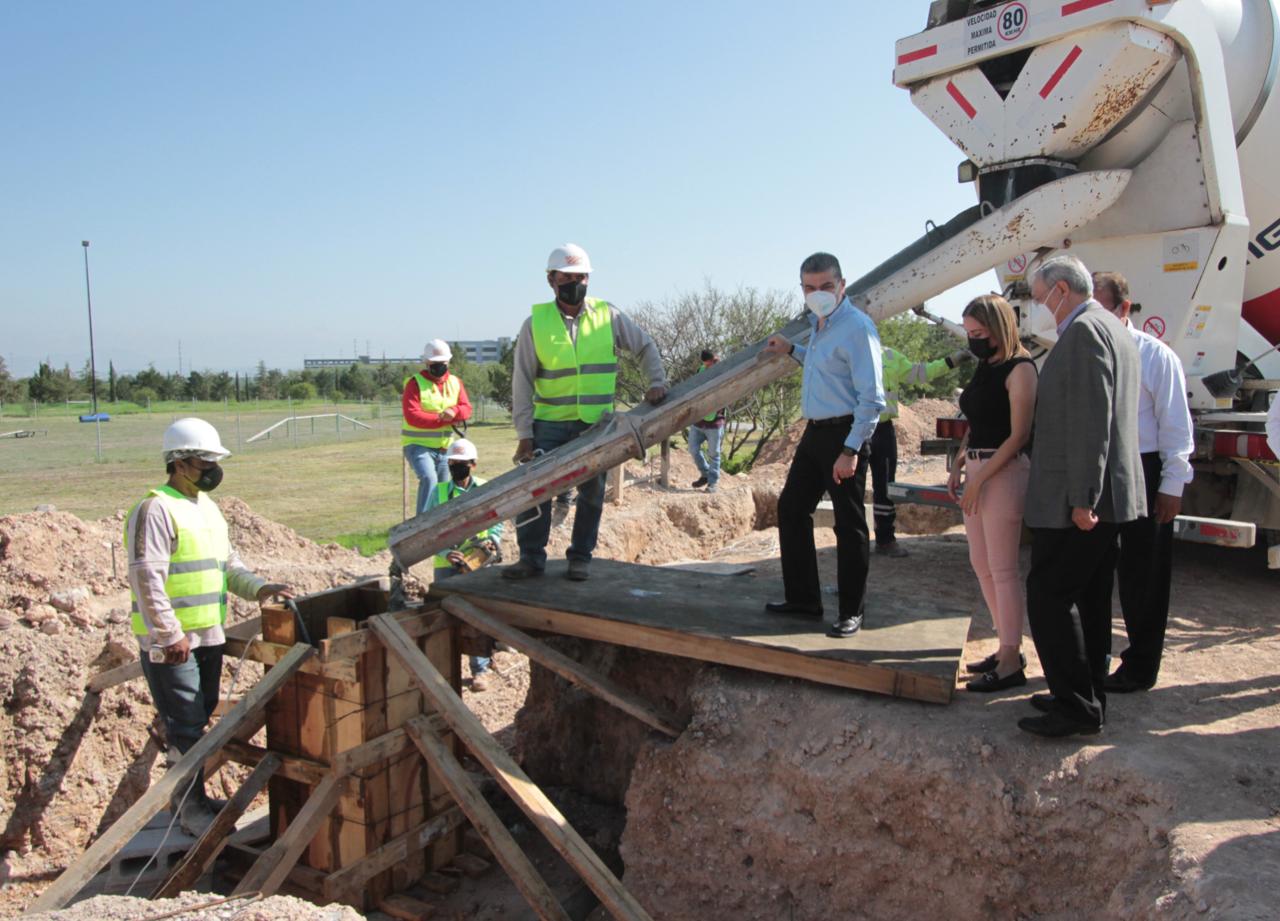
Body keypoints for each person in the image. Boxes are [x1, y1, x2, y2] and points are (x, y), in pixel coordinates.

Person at [125, 418, 292, 835]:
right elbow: (147, 579)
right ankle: (190, 807)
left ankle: (194, 797)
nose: (212, 469)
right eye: (205, 460)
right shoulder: (155, 509)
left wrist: (259, 589)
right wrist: (168, 634)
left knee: (198, 719)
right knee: (184, 724)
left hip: (208, 635)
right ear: (179, 463)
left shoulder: (208, 508)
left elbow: (228, 567)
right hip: (174, 643)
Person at [1020, 255, 1145, 738]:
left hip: (1081, 500)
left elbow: (1091, 424)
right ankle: (1086, 693)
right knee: (1090, 598)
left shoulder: (1086, 333)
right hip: (1103, 496)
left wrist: (1082, 498)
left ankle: (1076, 705)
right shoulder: (1111, 328)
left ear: (1061, 290)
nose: (1038, 307)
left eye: (1038, 297)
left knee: (1048, 594)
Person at [506, 243, 667, 582]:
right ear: (551, 280)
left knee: (592, 493)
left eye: (581, 278)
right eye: (567, 278)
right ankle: (531, 558)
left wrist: (657, 381)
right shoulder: (535, 324)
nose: (574, 284)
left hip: (596, 425)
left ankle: (580, 558)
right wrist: (524, 434)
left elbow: (646, 345)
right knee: (534, 492)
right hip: (549, 425)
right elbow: (521, 382)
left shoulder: (608, 315)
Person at [762, 252, 886, 638]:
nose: (818, 293)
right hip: (815, 432)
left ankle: (852, 611)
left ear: (842, 285)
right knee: (792, 508)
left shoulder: (856, 327)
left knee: (849, 525)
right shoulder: (820, 325)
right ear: (802, 289)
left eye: (826, 287)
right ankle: (803, 599)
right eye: (810, 288)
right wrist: (792, 350)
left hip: (845, 435)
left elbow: (872, 398)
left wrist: (850, 451)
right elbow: (828, 369)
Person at [1082, 272, 1194, 694]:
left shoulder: (1155, 356)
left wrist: (1172, 485)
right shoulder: (1087, 351)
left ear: (1123, 309)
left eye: (1101, 306)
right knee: (1093, 569)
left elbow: (1176, 428)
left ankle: (1141, 666)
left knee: (1142, 574)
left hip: (1144, 469)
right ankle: (1094, 660)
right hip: (1099, 468)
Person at [946, 295, 1037, 692]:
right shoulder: (987, 365)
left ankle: (1010, 658)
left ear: (999, 328)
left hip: (1004, 471)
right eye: (969, 333)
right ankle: (1006, 647)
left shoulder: (1021, 369)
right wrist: (961, 461)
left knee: (1002, 568)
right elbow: (977, 420)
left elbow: (1019, 435)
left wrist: (980, 480)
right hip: (979, 466)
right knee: (980, 563)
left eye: (979, 333)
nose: (974, 341)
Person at [872, 345, 971, 556]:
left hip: (882, 429)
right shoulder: (846, 352)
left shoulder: (888, 355)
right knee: (852, 486)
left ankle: (885, 539)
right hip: (855, 428)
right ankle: (856, 542)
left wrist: (952, 361)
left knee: (885, 485)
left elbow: (920, 372)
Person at [428, 438, 503, 691]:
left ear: (473, 464)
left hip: (477, 564)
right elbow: (427, 530)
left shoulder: (484, 489)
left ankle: (480, 670)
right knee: (444, 617)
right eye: (452, 463)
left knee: (476, 616)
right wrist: (446, 551)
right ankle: (444, 672)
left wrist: (491, 542)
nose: (455, 467)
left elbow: (497, 521)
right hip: (446, 565)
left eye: (460, 463)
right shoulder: (438, 493)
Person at [402, 339, 471, 516]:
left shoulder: (455, 383)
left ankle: (440, 525)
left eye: (442, 363)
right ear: (426, 363)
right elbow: (412, 416)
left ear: (448, 362)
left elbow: (466, 408)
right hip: (418, 445)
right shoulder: (414, 383)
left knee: (443, 488)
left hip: (444, 447)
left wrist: (454, 410)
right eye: (435, 363)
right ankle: (420, 526)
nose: (439, 366)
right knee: (428, 478)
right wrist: (443, 419)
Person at [688, 349, 727, 493]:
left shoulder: (722, 369)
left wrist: (718, 364)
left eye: (711, 362)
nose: (709, 365)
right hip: (699, 420)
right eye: (707, 363)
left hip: (714, 422)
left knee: (714, 454)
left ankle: (713, 483)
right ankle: (705, 474)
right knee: (693, 449)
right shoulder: (701, 370)